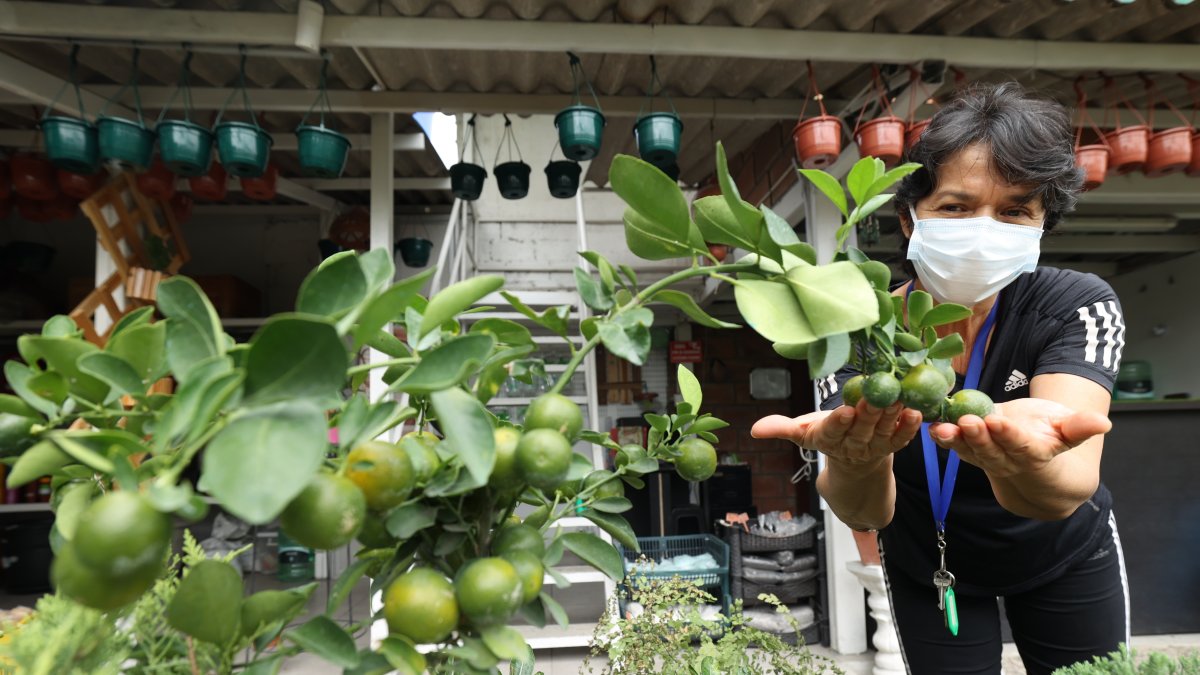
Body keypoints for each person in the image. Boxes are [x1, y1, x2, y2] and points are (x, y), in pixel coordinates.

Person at [753, 82, 1129, 675]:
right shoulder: (862, 326)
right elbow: (866, 511)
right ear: (910, 219)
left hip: (1065, 556)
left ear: (1040, 226)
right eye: (955, 207)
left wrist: (1023, 461)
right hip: (931, 566)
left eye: (1014, 210)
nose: (984, 228)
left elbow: (1066, 488)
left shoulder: (1075, 304)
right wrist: (855, 459)